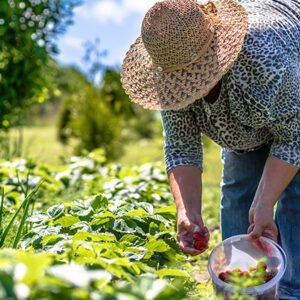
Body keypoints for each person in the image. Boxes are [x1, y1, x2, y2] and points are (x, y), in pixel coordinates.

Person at [121, 0, 300, 297]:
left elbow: (295, 135)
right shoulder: (172, 74)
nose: (185, 82)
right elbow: (181, 147)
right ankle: (243, 290)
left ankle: (293, 290)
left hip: (295, 112)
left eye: (191, 75)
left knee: (294, 203)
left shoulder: (264, 60)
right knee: (239, 200)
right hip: (246, 130)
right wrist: (187, 212)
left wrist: (266, 200)